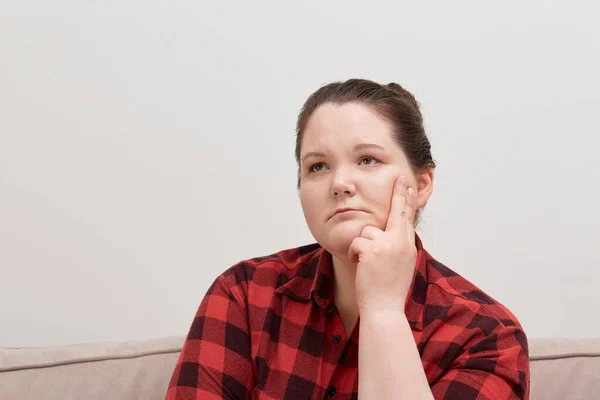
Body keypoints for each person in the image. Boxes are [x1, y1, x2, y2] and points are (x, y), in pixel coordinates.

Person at [166, 78, 530, 399]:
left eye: (368, 160)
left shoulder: (488, 338)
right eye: (318, 166)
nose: (340, 183)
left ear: (421, 185)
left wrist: (383, 312)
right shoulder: (244, 295)